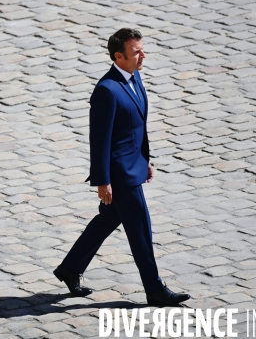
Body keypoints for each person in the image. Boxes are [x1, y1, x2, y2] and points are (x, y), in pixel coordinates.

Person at [53, 28, 191, 307]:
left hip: (133, 166)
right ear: (119, 56)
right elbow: (99, 140)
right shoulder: (107, 90)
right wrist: (103, 181)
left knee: (107, 219)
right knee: (141, 228)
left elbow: (137, 127)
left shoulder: (135, 77)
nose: (143, 55)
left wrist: (145, 160)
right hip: (120, 174)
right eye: (137, 51)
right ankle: (154, 290)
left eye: (142, 49)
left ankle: (70, 268)